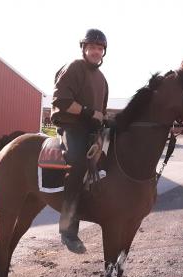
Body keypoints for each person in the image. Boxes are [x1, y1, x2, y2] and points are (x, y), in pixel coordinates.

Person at [51, 29, 109, 253]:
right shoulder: (75, 67)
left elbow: (100, 113)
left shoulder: (102, 79)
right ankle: (68, 231)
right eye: (91, 47)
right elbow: (61, 100)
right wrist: (88, 113)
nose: (95, 51)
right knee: (77, 166)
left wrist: (105, 121)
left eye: (99, 48)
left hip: (91, 131)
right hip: (71, 127)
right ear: (84, 48)